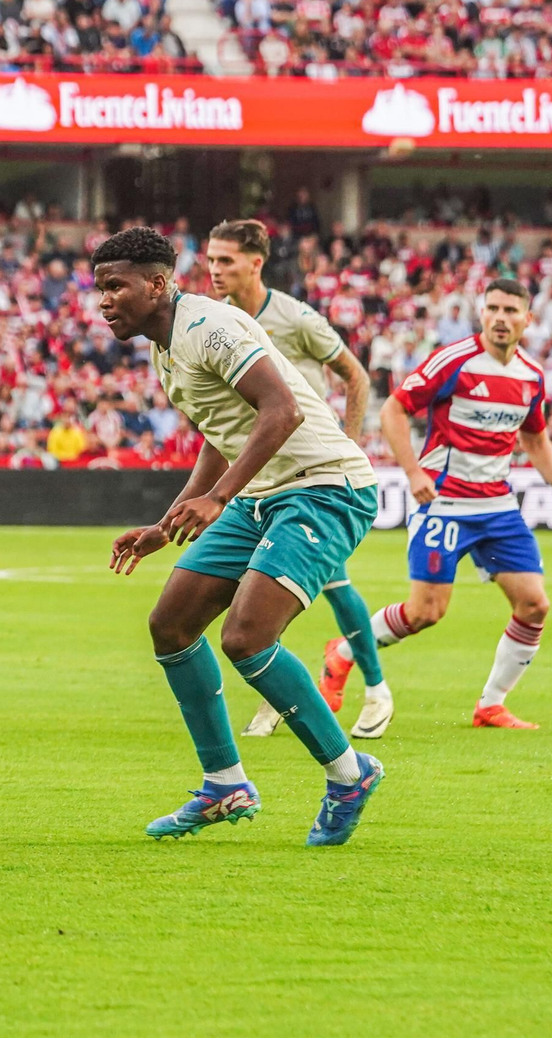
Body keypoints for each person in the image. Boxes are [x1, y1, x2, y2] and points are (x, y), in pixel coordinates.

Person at [96, 227, 383, 847]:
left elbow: (283, 411)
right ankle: (224, 782)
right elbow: (220, 434)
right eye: (100, 288)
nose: (104, 300)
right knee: (170, 624)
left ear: (159, 283)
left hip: (325, 487)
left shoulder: (209, 327)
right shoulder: (166, 345)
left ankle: (349, 774)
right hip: (262, 496)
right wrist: (167, 522)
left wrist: (219, 497)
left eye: (116, 285)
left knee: (247, 637)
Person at [206, 219, 390, 738]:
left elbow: (354, 373)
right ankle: (290, 691)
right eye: (211, 261)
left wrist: (349, 443)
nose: (215, 271)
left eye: (225, 261)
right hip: (258, 476)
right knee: (262, 590)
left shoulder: (294, 317)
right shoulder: (210, 321)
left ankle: (373, 690)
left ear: (255, 263)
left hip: (312, 476)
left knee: (332, 582)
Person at [370, 279, 551, 730]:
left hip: (497, 507)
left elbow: (534, 438)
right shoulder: (455, 361)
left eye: (511, 310)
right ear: (481, 313)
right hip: (444, 502)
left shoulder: (531, 375)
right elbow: (394, 410)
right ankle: (345, 650)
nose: (501, 318)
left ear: (527, 319)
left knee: (534, 606)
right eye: (493, 308)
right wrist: (413, 473)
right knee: (425, 613)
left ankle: (491, 704)